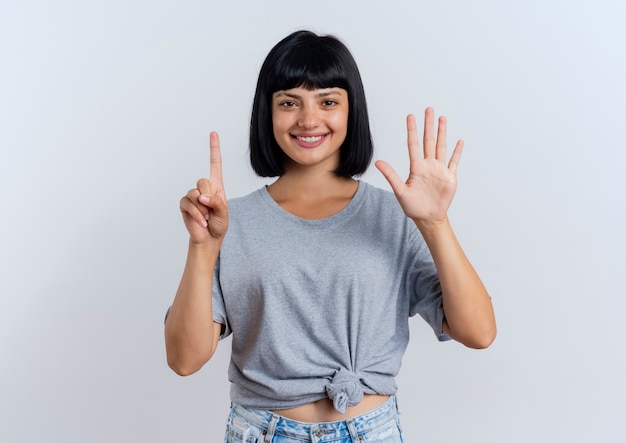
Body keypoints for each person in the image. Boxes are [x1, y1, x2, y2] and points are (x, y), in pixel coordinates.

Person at [165, 30, 496, 443]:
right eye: (289, 102)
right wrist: (202, 248)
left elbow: (479, 333)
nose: (308, 119)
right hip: (262, 431)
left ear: (350, 110)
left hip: (371, 431)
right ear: (267, 113)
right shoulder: (229, 221)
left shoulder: (393, 215)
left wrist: (434, 223)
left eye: (328, 101)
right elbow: (184, 360)